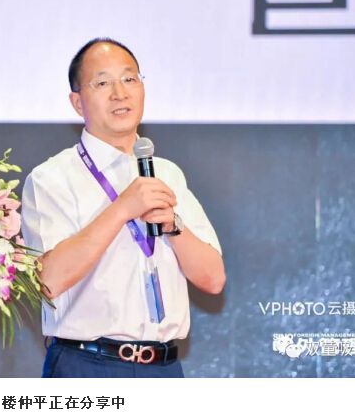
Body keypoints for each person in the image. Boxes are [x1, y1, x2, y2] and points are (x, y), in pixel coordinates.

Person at [20, 38, 225, 378]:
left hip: (163, 369)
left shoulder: (167, 173)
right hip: (87, 366)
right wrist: (121, 210)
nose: (120, 93)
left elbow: (214, 279)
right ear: (77, 102)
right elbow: (49, 281)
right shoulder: (51, 178)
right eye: (102, 83)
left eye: (129, 79)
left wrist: (174, 226)